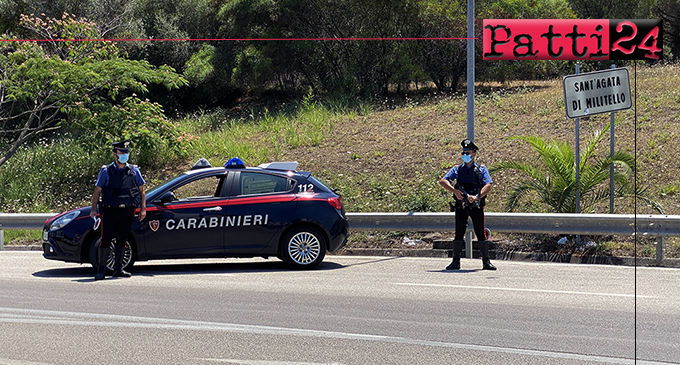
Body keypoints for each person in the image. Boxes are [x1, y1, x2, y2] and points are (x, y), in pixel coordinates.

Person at [89, 140, 146, 280]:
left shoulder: (134, 170)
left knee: (122, 240)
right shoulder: (106, 171)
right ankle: (101, 270)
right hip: (110, 211)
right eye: (122, 152)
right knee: (106, 239)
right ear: (115, 154)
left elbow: (142, 191)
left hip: (127, 211)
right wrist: (93, 210)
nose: (125, 155)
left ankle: (118, 269)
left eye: (126, 152)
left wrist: (143, 209)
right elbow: (97, 191)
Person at [439, 139, 496, 271]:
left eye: (468, 152)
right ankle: (455, 262)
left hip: (476, 205)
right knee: (459, 233)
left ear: (474, 154)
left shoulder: (481, 169)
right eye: (463, 152)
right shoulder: (457, 169)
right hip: (461, 205)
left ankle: (486, 262)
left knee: (480, 233)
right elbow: (443, 181)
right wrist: (455, 191)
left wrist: (477, 197)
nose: (465, 154)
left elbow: (488, 185)